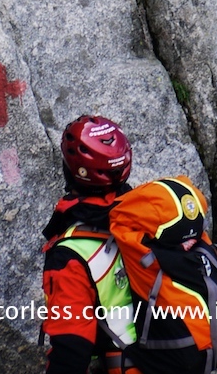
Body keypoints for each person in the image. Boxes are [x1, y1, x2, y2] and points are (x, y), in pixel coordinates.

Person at [42, 116, 140, 374]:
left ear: (72, 171)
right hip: (179, 355)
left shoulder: (71, 255)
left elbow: (71, 351)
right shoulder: (148, 213)